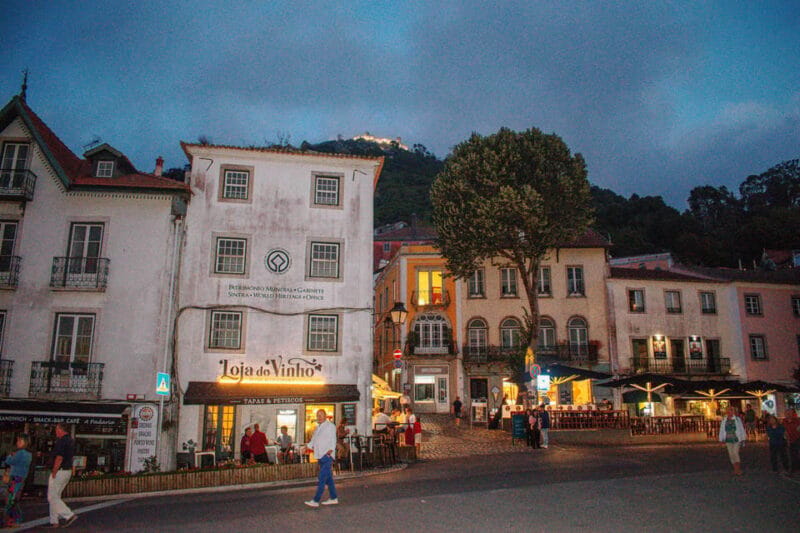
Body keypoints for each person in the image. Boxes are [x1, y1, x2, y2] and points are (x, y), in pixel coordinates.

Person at [46, 423, 78, 528]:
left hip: (60, 471)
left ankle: (69, 515)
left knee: (52, 497)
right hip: (67, 471)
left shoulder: (62, 441)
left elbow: (59, 457)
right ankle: (54, 521)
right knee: (56, 496)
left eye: (56, 429)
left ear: (60, 429)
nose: (55, 431)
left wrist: (54, 471)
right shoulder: (70, 440)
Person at [304, 409, 338, 508]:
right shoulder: (317, 428)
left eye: (321, 415)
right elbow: (313, 441)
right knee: (328, 479)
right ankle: (333, 498)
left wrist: (330, 451)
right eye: (317, 415)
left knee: (322, 478)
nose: (319, 417)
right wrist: (305, 447)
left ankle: (316, 500)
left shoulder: (330, 426)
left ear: (325, 416)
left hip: (326, 456)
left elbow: (333, 439)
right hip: (320, 456)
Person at [2, 433, 32, 528]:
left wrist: (10, 455)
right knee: (14, 499)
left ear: (25, 442)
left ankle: (12, 520)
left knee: (11, 499)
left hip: (15, 478)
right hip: (21, 478)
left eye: (20, 440)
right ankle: (15, 519)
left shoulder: (20, 453)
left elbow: (9, 461)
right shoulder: (29, 454)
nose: (17, 442)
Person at [718, 406, 746, 476]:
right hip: (728, 439)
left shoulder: (737, 419)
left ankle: (738, 469)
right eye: (728, 411)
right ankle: (735, 469)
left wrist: (743, 438)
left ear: (733, 412)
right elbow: (722, 430)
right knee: (731, 454)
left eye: (730, 411)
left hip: (736, 438)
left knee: (735, 453)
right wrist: (721, 439)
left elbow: (741, 429)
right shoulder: (724, 420)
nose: (729, 412)